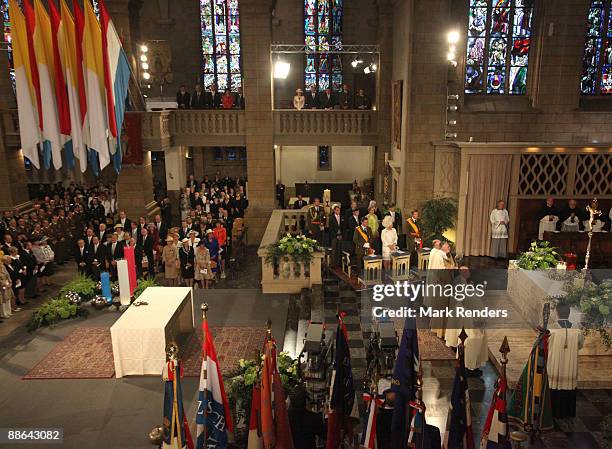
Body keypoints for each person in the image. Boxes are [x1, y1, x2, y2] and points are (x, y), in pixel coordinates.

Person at [547, 317, 584, 419]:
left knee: (554, 387)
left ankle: (553, 413)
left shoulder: (551, 331)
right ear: (568, 314)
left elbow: (545, 345)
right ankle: (568, 412)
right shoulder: (578, 332)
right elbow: (580, 345)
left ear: (557, 314)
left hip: (556, 365)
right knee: (569, 387)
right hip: (570, 366)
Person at [0, 253, 16, 317]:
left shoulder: (3, 266)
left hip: (7, 284)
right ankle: (4, 314)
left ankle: (9, 312)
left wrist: (10, 282)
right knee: (3, 300)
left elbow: (8, 275)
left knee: (8, 298)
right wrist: (4, 284)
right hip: (2, 286)